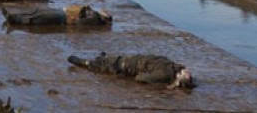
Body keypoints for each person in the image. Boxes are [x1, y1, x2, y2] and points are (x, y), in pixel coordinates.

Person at [67, 52, 195, 89]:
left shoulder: (168, 71)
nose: (189, 74)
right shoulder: (172, 68)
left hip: (123, 63)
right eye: (189, 75)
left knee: (97, 64)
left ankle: (84, 60)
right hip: (124, 62)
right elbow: (140, 77)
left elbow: (140, 78)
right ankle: (95, 59)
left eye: (188, 77)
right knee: (98, 63)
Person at [3, 5, 112, 26]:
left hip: (63, 17)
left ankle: (15, 19)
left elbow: (80, 22)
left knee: (39, 17)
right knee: (38, 12)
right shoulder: (94, 14)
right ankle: (14, 16)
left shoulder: (95, 18)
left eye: (105, 13)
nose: (103, 11)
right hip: (62, 13)